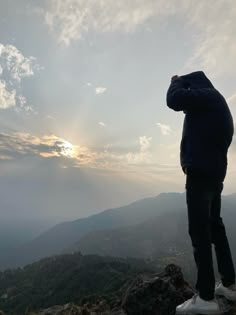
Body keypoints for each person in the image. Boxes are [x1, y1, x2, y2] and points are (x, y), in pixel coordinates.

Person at [166, 71, 236, 314]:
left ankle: (206, 298)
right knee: (215, 226)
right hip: (215, 175)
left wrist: (176, 81)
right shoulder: (216, 103)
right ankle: (229, 284)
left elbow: (173, 100)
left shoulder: (207, 96)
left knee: (200, 233)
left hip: (201, 175)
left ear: (194, 84)